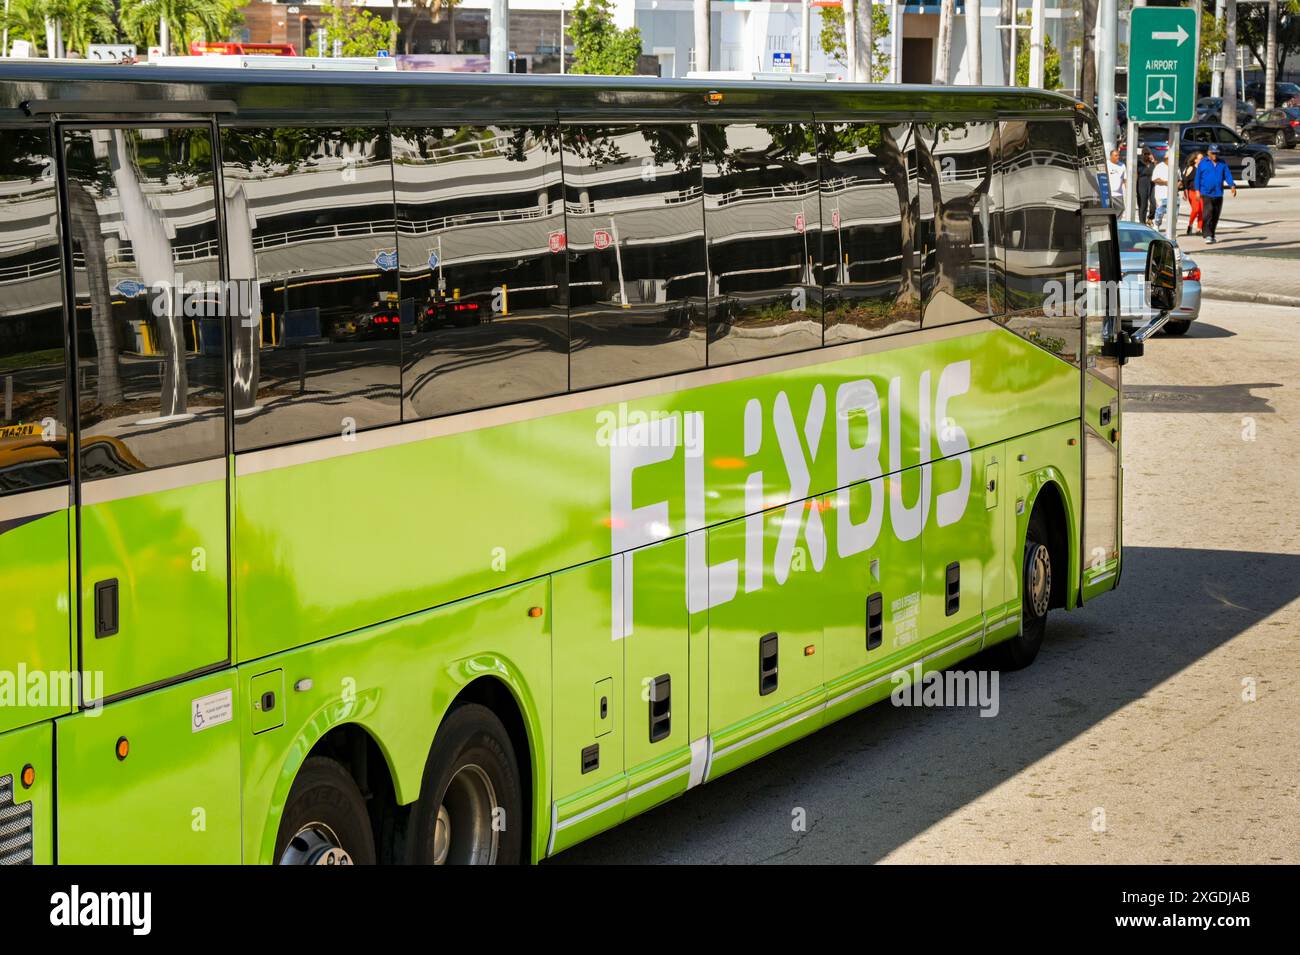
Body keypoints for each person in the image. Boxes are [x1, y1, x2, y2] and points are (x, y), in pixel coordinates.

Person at [1195, 144, 1237, 244]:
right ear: (1208, 153)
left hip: (1218, 193)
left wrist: (1232, 186)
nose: (1215, 155)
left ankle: (1212, 234)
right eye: (1213, 153)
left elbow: (1227, 175)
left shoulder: (1222, 163)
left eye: (1217, 153)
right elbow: (1197, 178)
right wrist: (1197, 190)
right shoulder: (1203, 163)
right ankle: (1207, 235)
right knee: (1208, 213)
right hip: (1206, 192)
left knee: (1215, 215)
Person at [1181, 150, 1204, 237]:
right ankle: (1190, 225)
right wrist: (1185, 192)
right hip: (1193, 192)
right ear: (1195, 160)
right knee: (1196, 210)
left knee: (1202, 211)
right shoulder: (1191, 168)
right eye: (1200, 158)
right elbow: (1185, 181)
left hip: (1203, 192)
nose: (1202, 160)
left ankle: (1199, 229)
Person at [1135, 149, 1156, 225]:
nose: (1147, 155)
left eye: (1148, 154)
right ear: (1142, 154)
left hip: (1151, 183)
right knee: (1143, 204)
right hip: (1141, 183)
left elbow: (1158, 170)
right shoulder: (1139, 163)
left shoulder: (1152, 163)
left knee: (1153, 202)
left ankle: (1150, 218)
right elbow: (1135, 175)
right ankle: (1142, 223)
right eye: (1145, 154)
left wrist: (1153, 160)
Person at [1152, 155, 1170, 229]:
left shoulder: (1176, 166)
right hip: (1161, 193)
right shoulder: (1159, 167)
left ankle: (1170, 229)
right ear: (1166, 159)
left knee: (1173, 213)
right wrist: (1166, 182)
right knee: (1160, 211)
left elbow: (1179, 179)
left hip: (1173, 194)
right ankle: (1156, 224)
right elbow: (1154, 179)